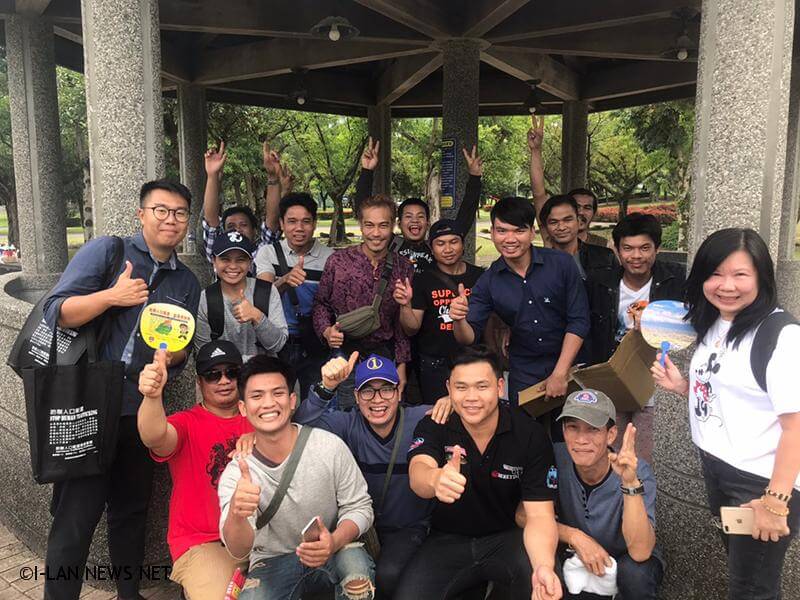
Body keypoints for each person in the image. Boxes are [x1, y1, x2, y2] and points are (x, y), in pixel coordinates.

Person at [41, 179, 201, 600]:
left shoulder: (186, 282)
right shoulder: (108, 253)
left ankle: (129, 594)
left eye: (180, 213)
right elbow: (57, 311)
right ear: (142, 214)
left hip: (142, 409)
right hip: (91, 405)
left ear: (188, 221)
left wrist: (172, 358)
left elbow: (182, 351)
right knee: (76, 517)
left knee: (132, 510)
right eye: (161, 210)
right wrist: (112, 296)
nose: (170, 220)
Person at [651, 228, 800, 600]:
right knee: (744, 574)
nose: (727, 286)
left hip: (760, 483)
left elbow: (796, 427)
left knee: (751, 590)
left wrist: (774, 502)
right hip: (719, 469)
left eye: (740, 274)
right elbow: (735, 391)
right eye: (715, 274)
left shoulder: (782, 337)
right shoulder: (717, 321)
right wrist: (683, 387)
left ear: (761, 277)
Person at [395, 345, 562, 600]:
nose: (471, 397)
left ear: (499, 387)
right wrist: (435, 479)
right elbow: (418, 471)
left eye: (482, 386)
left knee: (542, 584)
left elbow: (539, 515)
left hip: (507, 538)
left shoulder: (529, 434)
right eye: (461, 387)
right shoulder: (436, 423)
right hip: (447, 539)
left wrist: (543, 566)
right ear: (449, 388)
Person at [288, 352, 450, 598]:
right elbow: (300, 424)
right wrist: (327, 387)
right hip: (362, 527)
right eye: (367, 391)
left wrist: (452, 400)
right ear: (356, 396)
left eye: (386, 389)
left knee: (389, 575)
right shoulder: (347, 424)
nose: (377, 399)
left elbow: (475, 411)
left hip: (409, 528)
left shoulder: (420, 418)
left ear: (398, 392)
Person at [218, 355, 375, 600]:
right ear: (243, 408)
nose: (268, 403)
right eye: (257, 396)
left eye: (277, 393)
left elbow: (360, 506)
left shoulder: (329, 446)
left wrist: (333, 541)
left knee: (356, 570)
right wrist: (237, 514)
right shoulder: (237, 473)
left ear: (292, 401)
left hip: (332, 550)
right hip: (272, 561)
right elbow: (238, 550)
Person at [137, 341, 252, 600]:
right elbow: (154, 436)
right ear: (199, 382)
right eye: (213, 375)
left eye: (231, 372)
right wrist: (152, 396)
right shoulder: (187, 423)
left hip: (261, 536)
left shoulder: (258, 417)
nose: (224, 380)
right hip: (204, 541)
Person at [451, 196, 590, 406]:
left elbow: (579, 320)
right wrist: (459, 319)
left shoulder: (561, 264)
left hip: (570, 364)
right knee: (524, 425)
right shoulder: (489, 280)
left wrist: (560, 373)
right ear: (492, 232)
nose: (510, 239)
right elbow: (468, 337)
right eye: (502, 231)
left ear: (532, 232)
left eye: (519, 231)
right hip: (525, 369)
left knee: (574, 424)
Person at [552, 390, 662, 599]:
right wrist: (575, 537)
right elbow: (523, 515)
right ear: (564, 431)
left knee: (636, 573)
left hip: (623, 558)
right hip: (575, 554)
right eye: (573, 427)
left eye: (593, 429)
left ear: (610, 434)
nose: (581, 439)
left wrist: (629, 483)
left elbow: (640, 551)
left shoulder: (637, 471)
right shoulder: (555, 457)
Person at [312, 194, 414, 409]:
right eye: (369, 225)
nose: (376, 233)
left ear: (393, 226)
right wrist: (326, 331)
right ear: (360, 225)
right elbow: (321, 304)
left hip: (384, 354)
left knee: (383, 411)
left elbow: (400, 322)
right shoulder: (338, 261)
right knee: (347, 413)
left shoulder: (403, 267)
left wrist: (402, 363)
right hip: (345, 355)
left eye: (383, 225)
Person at [606, 213, 685, 462]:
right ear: (617, 250)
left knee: (643, 459)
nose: (636, 256)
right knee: (612, 454)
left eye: (644, 248)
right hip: (615, 379)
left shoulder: (676, 279)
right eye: (628, 248)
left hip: (654, 380)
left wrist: (652, 325)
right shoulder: (602, 283)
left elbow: (688, 325)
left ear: (657, 249)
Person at [354, 137, 484, 273]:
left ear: (428, 223)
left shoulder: (435, 247)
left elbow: (464, 219)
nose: (415, 220)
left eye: (420, 216)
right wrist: (367, 171)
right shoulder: (390, 244)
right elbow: (365, 210)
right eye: (408, 216)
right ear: (399, 223)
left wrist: (475, 177)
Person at [394, 219, 485, 405]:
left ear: (462, 243)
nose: (448, 249)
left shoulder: (480, 277)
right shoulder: (422, 279)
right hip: (435, 365)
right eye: (440, 243)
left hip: (474, 360)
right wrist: (405, 305)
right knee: (438, 414)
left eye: (454, 242)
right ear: (432, 248)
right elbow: (412, 328)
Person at [256, 192, 334, 399]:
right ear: (281, 223)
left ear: (314, 224)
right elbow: (262, 297)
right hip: (278, 343)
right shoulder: (268, 253)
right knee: (276, 398)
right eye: (292, 221)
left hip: (314, 342)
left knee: (316, 399)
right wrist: (284, 281)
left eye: (306, 221)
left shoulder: (330, 258)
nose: (299, 228)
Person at [538, 194, 619, 366]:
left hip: (599, 348)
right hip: (555, 349)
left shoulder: (605, 257)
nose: (561, 227)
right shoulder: (537, 264)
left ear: (579, 221)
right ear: (545, 226)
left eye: (568, 220)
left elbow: (618, 300)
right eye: (553, 222)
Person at [195, 231, 287, 359]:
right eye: (225, 259)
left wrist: (257, 316)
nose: (233, 266)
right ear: (214, 261)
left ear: (250, 262)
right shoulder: (205, 299)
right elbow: (204, 354)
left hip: (264, 369)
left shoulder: (267, 291)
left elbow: (278, 345)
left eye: (240, 260)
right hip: (225, 370)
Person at [201, 141, 287, 270]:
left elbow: (272, 223)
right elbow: (211, 221)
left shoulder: (261, 254)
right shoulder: (217, 253)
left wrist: (273, 176)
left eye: (243, 225)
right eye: (231, 226)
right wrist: (212, 175)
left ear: (254, 231)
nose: (237, 230)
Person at [527, 116, 606, 248]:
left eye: (587, 207)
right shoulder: (552, 238)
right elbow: (538, 194)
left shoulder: (603, 246)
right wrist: (536, 150)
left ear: (594, 213)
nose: (581, 212)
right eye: (577, 207)